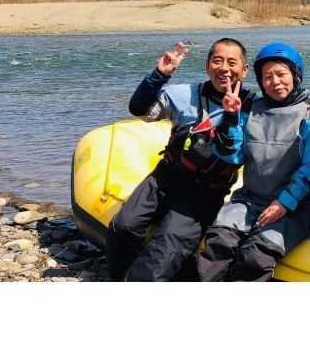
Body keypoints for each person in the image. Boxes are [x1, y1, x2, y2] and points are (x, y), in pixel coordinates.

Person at [105, 38, 254, 281]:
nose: (224, 68)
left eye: (232, 62)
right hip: (165, 177)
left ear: (244, 70)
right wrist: (159, 75)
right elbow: (139, 110)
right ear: (207, 66)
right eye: (217, 61)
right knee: (122, 227)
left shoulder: (253, 108)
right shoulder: (183, 94)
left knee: (166, 248)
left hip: (205, 192)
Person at [196, 43, 310, 282]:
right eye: (267, 77)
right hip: (248, 200)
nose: (275, 82)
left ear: (295, 76)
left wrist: (285, 202)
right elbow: (233, 156)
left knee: (255, 255)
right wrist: (231, 118)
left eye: (281, 74)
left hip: (294, 207)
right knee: (219, 243)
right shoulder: (250, 108)